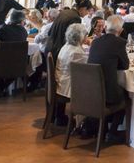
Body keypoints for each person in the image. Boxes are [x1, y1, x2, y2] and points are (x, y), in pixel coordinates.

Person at [87, 15, 129, 143]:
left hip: (90, 92)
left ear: (105, 27)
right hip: (107, 94)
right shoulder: (120, 43)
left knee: (114, 88)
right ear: (120, 30)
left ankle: (103, 128)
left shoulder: (95, 41)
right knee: (127, 94)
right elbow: (125, 65)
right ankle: (113, 131)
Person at [55, 23, 88, 101]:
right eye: (85, 35)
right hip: (67, 86)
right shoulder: (76, 52)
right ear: (80, 37)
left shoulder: (66, 46)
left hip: (60, 80)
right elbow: (88, 66)